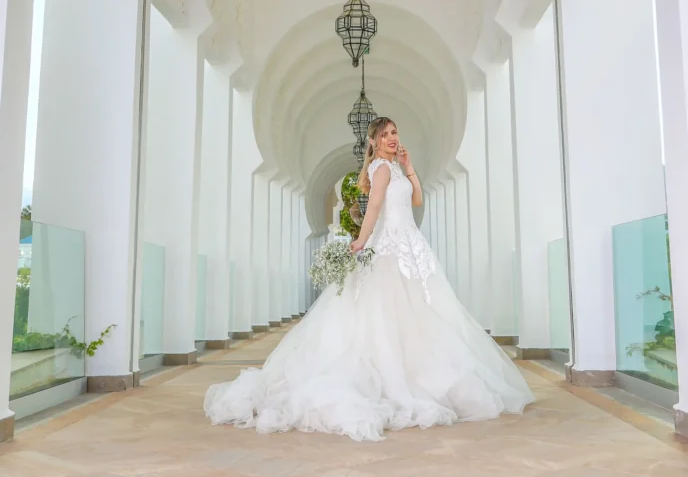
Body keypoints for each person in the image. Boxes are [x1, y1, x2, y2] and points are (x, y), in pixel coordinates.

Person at [204, 117, 535, 442]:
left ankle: (414, 376)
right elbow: (374, 205)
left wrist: (409, 166)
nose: (392, 138)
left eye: (395, 132)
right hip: (388, 247)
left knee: (418, 315)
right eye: (385, 134)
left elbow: (416, 200)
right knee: (384, 313)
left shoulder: (395, 169)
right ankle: (391, 381)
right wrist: (362, 241)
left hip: (411, 247)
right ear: (374, 141)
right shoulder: (379, 168)